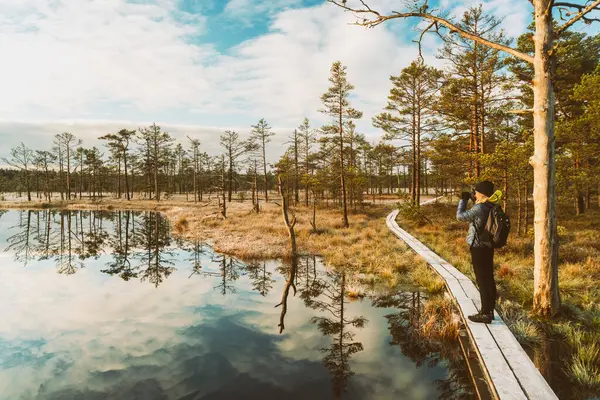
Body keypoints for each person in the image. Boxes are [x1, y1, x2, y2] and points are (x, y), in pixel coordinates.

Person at [457, 180, 502, 324]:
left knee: (482, 280)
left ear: (481, 193)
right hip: (488, 246)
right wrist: (472, 200)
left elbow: (460, 217)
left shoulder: (480, 208)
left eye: (476, 192)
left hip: (478, 247)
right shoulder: (491, 205)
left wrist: (463, 200)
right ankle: (489, 311)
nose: (474, 193)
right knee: (489, 278)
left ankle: (484, 313)